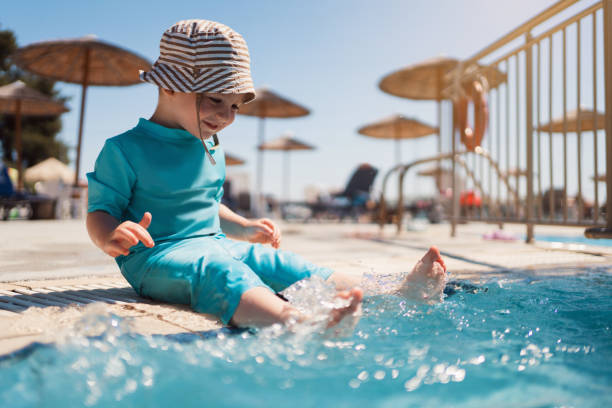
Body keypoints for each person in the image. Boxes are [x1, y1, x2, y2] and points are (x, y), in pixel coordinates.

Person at [86, 19, 447, 331]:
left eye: (234, 106)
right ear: (168, 85)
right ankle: (296, 322)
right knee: (220, 273)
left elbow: (208, 206)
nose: (226, 116)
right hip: (157, 256)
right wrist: (109, 237)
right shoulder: (124, 149)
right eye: (215, 99)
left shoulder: (210, 147)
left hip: (216, 243)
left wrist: (242, 227)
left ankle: (394, 295)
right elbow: (100, 211)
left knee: (281, 263)